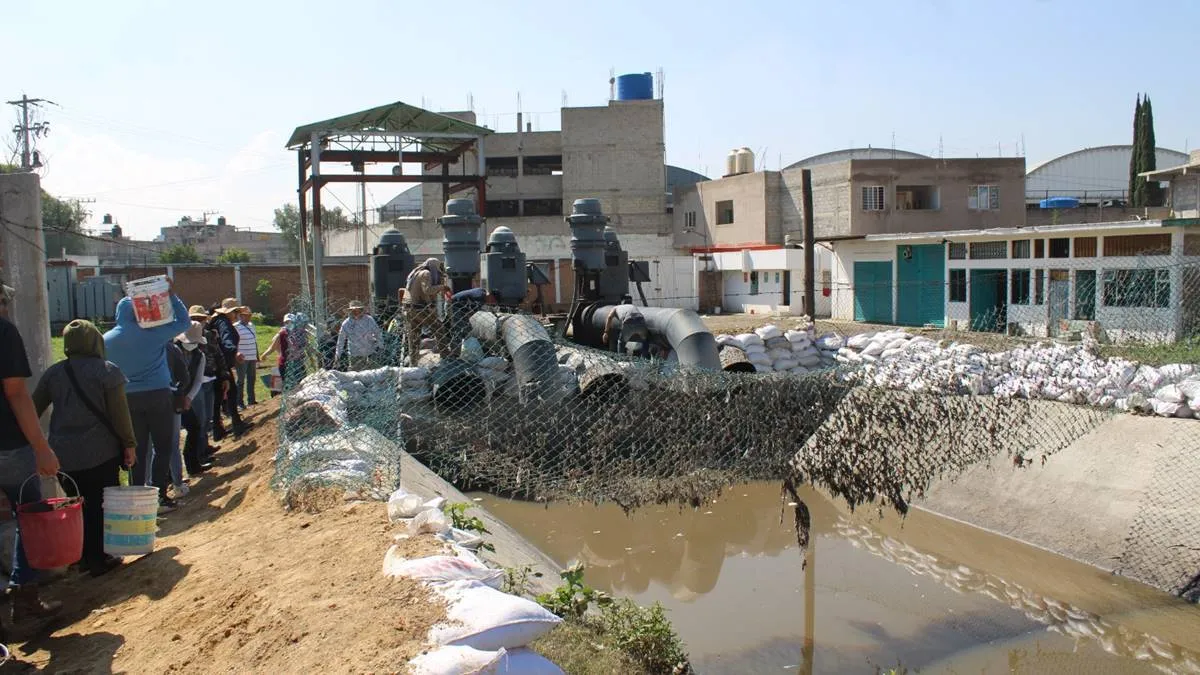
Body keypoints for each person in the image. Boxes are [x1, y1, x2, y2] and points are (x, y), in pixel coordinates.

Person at [32, 320, 136, 578]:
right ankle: (99, 559)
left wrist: (39, 445)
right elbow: (120, 415)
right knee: (100, 506)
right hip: (102, 451)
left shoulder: (54, 374)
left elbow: (33, 409)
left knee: (78, 506)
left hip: (64, 455)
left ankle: (84, 557)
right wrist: (129, 444)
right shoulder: (107, 371)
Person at [0, 282, 62, 628]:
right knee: (31, 518)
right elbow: (16, 394)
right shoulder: (4, 331)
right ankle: (25, 597)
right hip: (8, 447)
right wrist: (42, 448)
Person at [103, 280, 191, 513]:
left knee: (137, 450)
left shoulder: (105, 340)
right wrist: (171, 295)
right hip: (158, 396)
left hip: (126, 399)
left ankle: (137, 502)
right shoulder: (153, 334)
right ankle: (160, 496)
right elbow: (184, 322)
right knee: (162, 448)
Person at [208, 299, 249, 437]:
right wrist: (233, 352)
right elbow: (227, 342)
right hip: (222, 365)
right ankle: (236, 425)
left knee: (219, 396)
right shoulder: (224, 323)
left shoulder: (216, 321)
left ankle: (218, 430)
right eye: (235, 312)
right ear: (230, 312)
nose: (237, 315)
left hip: (214, 364)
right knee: (231, 393)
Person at [175, 321, 211, 476]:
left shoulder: (199, 355)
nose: (191, 345)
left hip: (185, 397)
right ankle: (169, 475)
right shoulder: (172, 351)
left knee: (195, 427)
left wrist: (188, 398)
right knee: (171, 436)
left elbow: (198, 380)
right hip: (170, 396)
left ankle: (192, 464)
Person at [403, 258, 449, 366]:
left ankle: (413, 363)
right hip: (419, 308)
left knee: (414, 336)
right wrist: (442, 287)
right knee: (439, 328)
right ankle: (445, 357)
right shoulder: (426, 273)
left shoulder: (416, 273)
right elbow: (427, 290)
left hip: (409, 308)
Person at [262, 313, 312, 390]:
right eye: (286, 322)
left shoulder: (300, 334)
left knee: (300, 384)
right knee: (287, 385)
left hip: (298, 362)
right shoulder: (281, 334)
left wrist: (311, 358)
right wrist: (264, 355)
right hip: (285, 362)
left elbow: (307, 347)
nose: (289, 324)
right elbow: (273, 347)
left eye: (291, 322)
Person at [334, 301, 382, 371]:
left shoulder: (369, 320)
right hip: (355, 356)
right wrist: (337, 356)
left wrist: (380, 346)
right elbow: (341, 341)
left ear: (362, 310)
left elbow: (377, 332)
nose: (356, 312)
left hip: (370, 353)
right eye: (353, 310)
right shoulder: (346, 324)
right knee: (357, 377)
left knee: (374, 376)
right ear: (350, 311)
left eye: (358, 310)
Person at [234, 308, 259, 409]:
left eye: (249, 315)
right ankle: (239, 403)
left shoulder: (252, 326)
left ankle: (251, 400)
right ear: (240, 316)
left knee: (252, 379)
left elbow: (254, 341)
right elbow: (234, 342)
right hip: (242, 358)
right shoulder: (235, 327)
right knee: (240, 381)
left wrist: (257, 355)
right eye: (246, 315)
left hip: (252, 356)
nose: (248, 317)